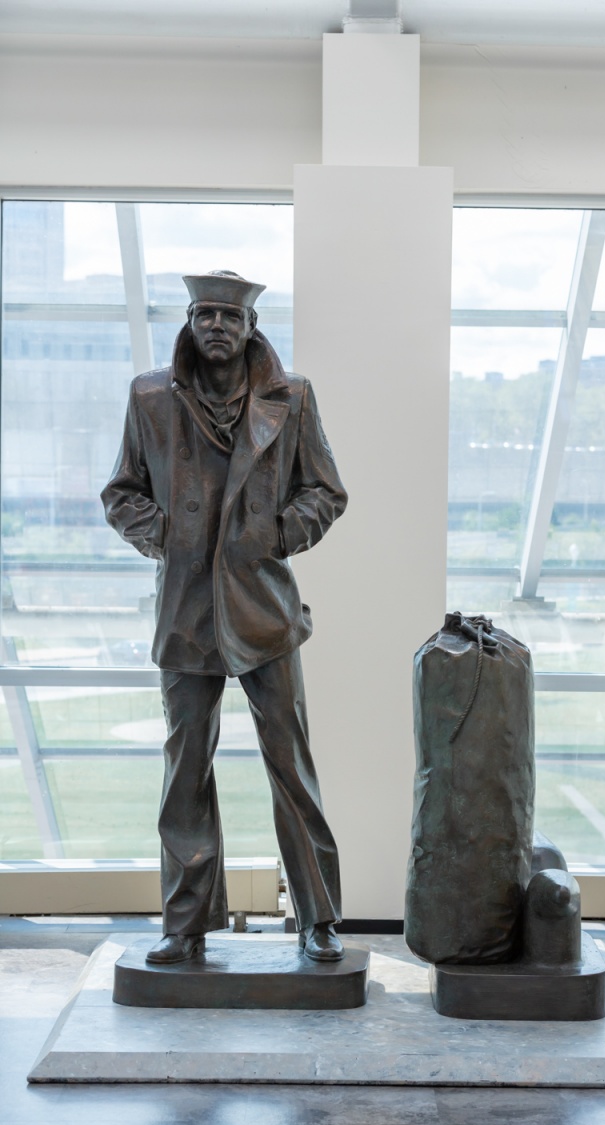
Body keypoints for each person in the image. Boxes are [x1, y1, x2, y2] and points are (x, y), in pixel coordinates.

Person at [102, 270, 347, 964]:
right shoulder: (150, 398)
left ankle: (318, 918)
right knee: (185, 771)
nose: (216, 325)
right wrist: (163, 536)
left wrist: (277, 533)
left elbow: (325, 490)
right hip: (184, 611)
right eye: (204, 313)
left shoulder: (290, 398)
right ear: (187, 320)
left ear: (249, 329)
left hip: (263, 609)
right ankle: (184, 927)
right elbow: (120, 491)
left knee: (290, 765)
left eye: (228, 317)